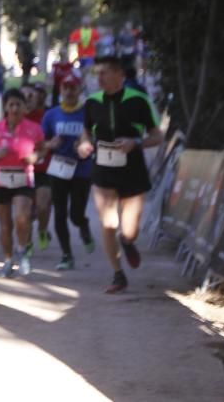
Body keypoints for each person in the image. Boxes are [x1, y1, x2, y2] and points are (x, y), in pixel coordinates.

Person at [76, 55, 163, 294]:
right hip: (103, 166)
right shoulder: (92, 102)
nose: (99, 78)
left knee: (129, 229)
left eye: (104, 72)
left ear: (119, 75)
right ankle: (118, 274)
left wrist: (135, 142)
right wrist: (84, 144)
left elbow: (157, 136)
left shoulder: (138, 101)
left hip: (132, 167)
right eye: (97, 73)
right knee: (107, 222)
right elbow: (85, 133)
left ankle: (127, 241)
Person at [0, 89, 44, 278]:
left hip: (23, 178)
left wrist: (35, 156)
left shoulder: (34, 128)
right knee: (5, 225)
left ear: (25, 107)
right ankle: (8, 260)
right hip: (0, 179)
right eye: (11, 104)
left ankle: (23, 252)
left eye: (19, 104)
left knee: (21, 217)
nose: (15, 108)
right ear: (6, 107)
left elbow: (42, 150)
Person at [41, 77, 95, 270]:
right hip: (58, 169)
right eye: (65, 88)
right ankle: (66, 255)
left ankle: (83, 225)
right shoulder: (51, 115)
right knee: (60, 214)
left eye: (73, 88)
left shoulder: (88, 113)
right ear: (61, 90)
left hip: (81, 170)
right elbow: (41, 144)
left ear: (80, 89)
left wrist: (86, 145)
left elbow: (96, 140)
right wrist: (50, 144)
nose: (69, 92)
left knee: (75, 214)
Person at [21, 83, 53, 251]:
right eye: (23, 97)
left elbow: (54, 139)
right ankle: (27, 244)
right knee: (25, 211)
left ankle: (42, 228)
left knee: (42, 206)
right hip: (22, 171)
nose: (27, 100)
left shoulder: (47, 116)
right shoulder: (14, 119)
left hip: (44, 169)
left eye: (30, 96)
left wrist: (44, 147)